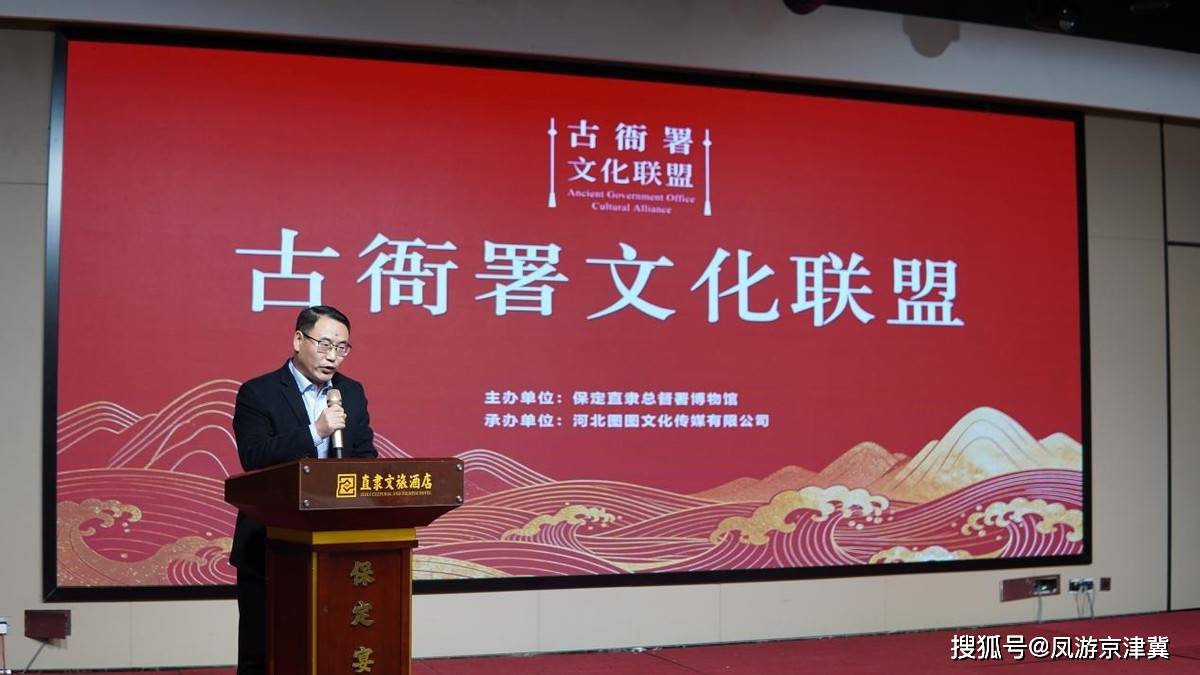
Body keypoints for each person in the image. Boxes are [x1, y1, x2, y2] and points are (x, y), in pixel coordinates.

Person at [229, 305, 377, 675]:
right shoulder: (258, 392)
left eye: (341, 348)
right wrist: (317, 431)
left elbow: (365, 457)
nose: (332, 356)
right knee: (265, 652)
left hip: (335, 544)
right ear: (298, 340)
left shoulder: (351, 392)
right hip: (269, 544)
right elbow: (254, 456)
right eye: (324, 344)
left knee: (329, 648)